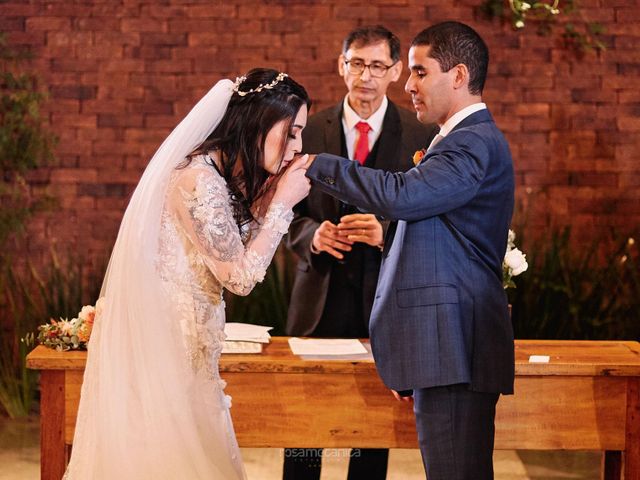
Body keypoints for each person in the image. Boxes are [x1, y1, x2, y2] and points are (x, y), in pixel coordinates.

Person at [64, 69, 311, 480]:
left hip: (194, 358)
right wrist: (282, 205)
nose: (296, 147)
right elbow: (240, 277)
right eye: (292, 132)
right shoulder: (198, 181)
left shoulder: (214, 176)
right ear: (258, 122)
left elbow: (233, 249)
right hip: (171, 356)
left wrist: (267, 201)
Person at [304, 22, 515, 480]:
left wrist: (311, 164)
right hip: (443, 345)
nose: (407, 84)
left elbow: (403, 196)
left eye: (419, 72)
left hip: (457, 344)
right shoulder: (456, 139)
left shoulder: (472, 142)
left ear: (458, 75)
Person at [283, 25, 435, 480]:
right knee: (304, 430)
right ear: (341, 66)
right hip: (319, 297)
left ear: (394, 71)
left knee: (371, 437)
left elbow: (429, 212)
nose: (364, 76)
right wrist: (311, 233)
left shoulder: (418, 133)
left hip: (384, 302)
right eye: (356, 63)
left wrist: (386, 230)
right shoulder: (308, 130)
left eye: (376, 66)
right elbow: (278, 213)